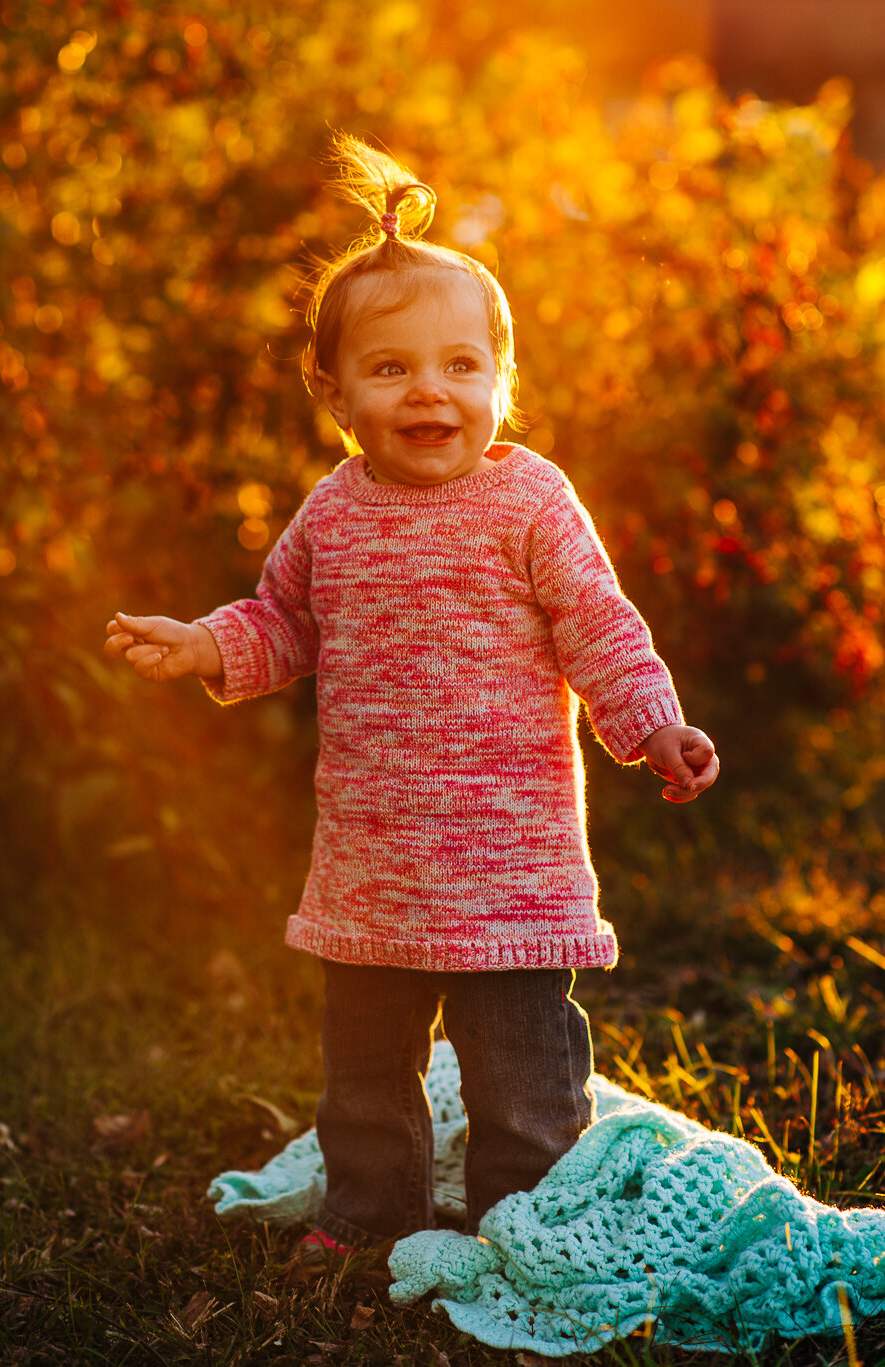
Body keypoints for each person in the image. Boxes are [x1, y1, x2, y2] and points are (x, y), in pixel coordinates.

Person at [105, 133, 719, 1258]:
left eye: (459, 365)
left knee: (523, 1078)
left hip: (511, 863)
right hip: (375, 860)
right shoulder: (333, 513)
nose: (429, 390)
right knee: (367, 1076)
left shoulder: (530, 501)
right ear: (332, 390)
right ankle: (370, 1209)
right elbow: (281, 619)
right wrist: (203, 644)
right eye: (390, 368)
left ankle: (525, 1226)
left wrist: (651, 724)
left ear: (501, 380)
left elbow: (602, 629)